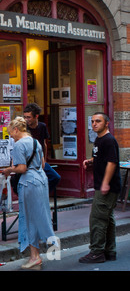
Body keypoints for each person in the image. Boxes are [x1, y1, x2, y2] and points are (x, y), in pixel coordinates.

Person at [2, 117, 55, 270]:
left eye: (10, 133)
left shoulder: (19, 145)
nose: (10, 136)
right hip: (41, 180)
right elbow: (43, 164)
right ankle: (37, 253)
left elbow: (22, 169)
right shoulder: (35, 141)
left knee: (29, 218)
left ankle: (35, 257)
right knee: (38, 216)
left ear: (16, 130)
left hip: (29, 182)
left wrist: (9, 169)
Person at [79, 112, 121, 263]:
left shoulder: (109, 140)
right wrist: (91, 161)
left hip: (107, 187)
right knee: (107, 218)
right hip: (105, 185)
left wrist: (105, 183)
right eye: (92, 121)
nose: (94, 124)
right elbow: (102, 157)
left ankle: (96, 252)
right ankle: (110, 251)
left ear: (106, 123)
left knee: (97, 218)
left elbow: (112, 162)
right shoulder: (99, 139)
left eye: (98, 121)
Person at [23, 103, 60, 192]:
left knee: (55, 177)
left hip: (40, 160)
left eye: (28, 117)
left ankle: (43, 192)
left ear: (36, 116)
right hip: (28, 162)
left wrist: (44, 159)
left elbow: (44, 144)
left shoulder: (42, 126)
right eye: (25, 117)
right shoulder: (24, 128)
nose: (26, 120)